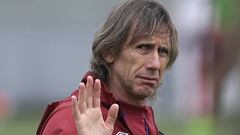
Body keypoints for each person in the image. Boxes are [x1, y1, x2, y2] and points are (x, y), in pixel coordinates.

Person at [37, 0, 179, 134]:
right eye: (143, 47)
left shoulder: (144, 123)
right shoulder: (72, 121)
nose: (155, 64)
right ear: (109, 52)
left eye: (163, 51)